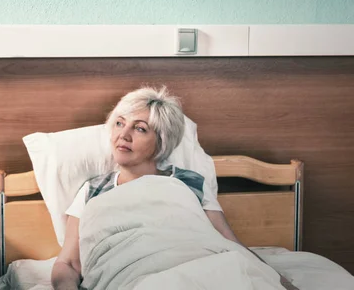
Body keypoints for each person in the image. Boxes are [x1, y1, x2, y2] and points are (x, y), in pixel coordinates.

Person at [51, 86, 299, 290]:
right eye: (119, 123)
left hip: (199, 265)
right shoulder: (93, 190)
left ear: (161, 142)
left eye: (139, 128)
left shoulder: (189, 183)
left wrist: (280, 281)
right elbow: (69, 263)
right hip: (130, 275)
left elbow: (227, 242)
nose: (123, 135)